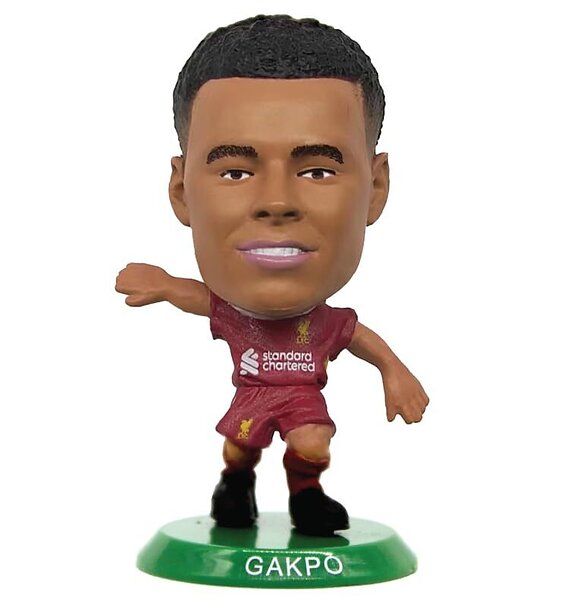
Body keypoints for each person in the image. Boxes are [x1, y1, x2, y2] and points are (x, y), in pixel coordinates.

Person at [116, 14, 429, 536]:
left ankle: (307, 496)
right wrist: (165, 285)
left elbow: (361, 339)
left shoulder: (326, 325)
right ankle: (235, 484)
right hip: (253, 395)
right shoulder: (234, 316)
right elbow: (200, 300)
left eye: (317, 171)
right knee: (239, 446)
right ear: (182, 192)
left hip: (302, 396)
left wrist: (395, 372)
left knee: (313, 440)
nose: (277, 202)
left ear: (375, 190)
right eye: (236, 171)